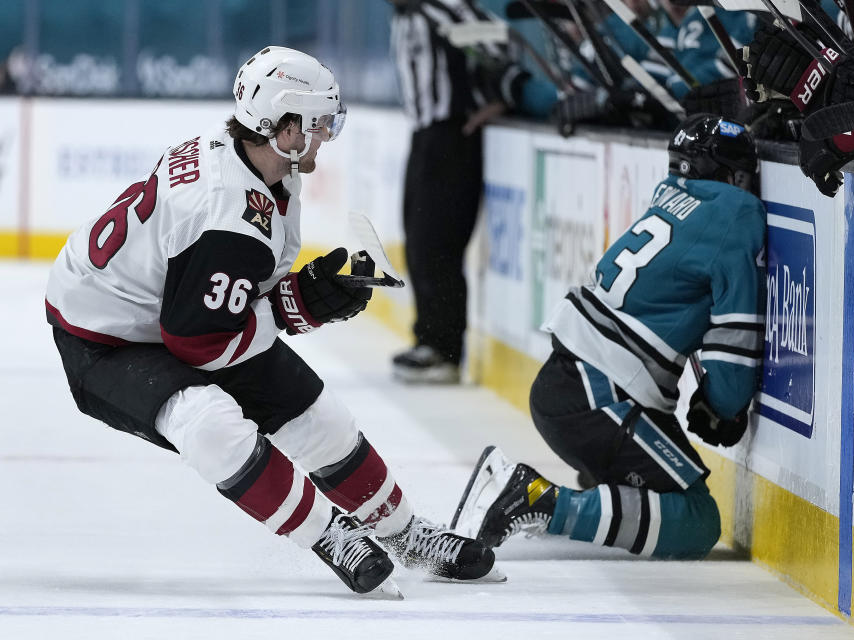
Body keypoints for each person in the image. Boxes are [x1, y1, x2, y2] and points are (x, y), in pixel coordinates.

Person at [44, 45, 502, 597]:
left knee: (319, 416)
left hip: (174, 311)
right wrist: (301, 304)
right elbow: (198, 344)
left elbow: (226, 297)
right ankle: (332, 535)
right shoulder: (226, 211)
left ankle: (407, 535)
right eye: (316, 121)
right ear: (281, 125)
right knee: (209, 425)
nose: (326, 132)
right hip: (105, 339)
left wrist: (303, 292)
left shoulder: (261, 165)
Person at [451, 114, 765, 560]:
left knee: (663, 489)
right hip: (599, 395)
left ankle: (599, 491)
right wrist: (724, 404)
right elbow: (735, 335)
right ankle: (538, 500)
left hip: (571, 382)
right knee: (697, 519)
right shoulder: (736, 212)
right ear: (732, 175)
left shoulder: (670, 199)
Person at [388, 0, 500, 383]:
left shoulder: (445, 7)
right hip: (423, 136)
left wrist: (497, 101)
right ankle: (429, 339)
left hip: (453, 136)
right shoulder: (406, 14)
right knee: (418, 242)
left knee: (439, 243)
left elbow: (501, 44)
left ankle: (444, 350)